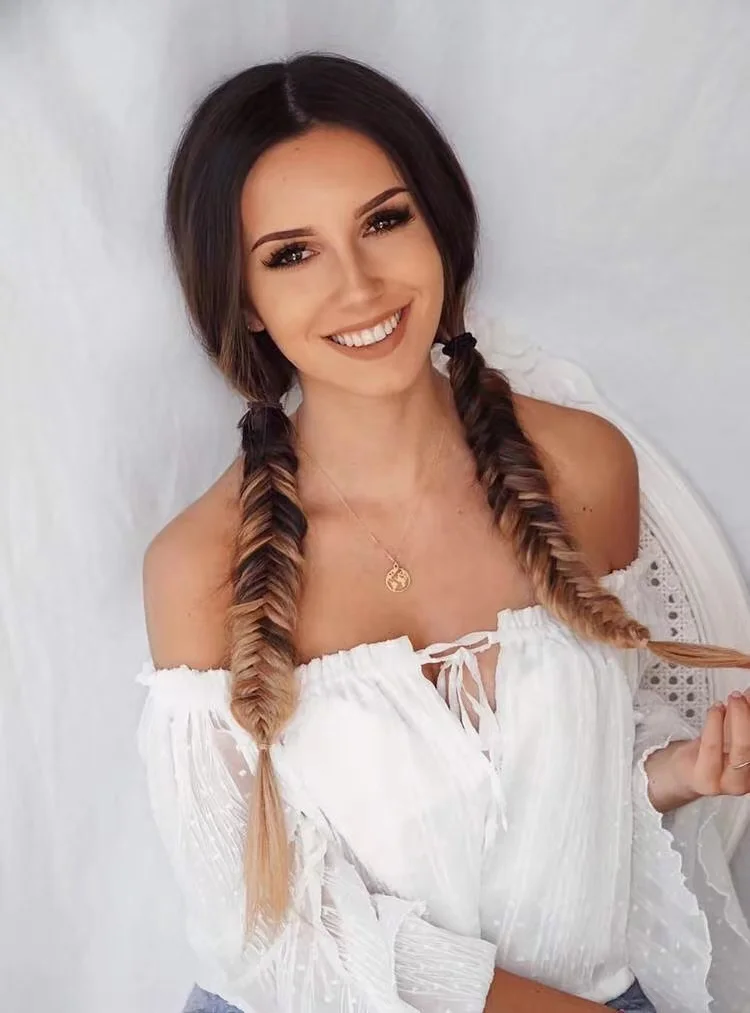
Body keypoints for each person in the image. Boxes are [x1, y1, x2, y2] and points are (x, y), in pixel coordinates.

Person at [135, 52, 750, 1013]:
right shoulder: (202, 567)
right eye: (292, 254)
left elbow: (576, 775)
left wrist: (677, 770)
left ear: (440, 225)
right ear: (243, 297)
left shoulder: (582, 468)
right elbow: (266, 937)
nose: (360, 286)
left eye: (385, 221)